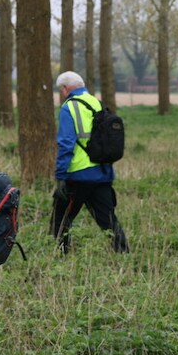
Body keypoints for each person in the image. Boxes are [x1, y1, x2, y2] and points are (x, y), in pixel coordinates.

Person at [50, 71, 129, 254]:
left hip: (77, 175)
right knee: (108, 220)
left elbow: (66, 144)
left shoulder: (69, 107)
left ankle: (62, 255)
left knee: (61, 218)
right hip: (102, 173)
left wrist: (60, 175)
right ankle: (123, 253)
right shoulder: (98, 103)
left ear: (65, 88)